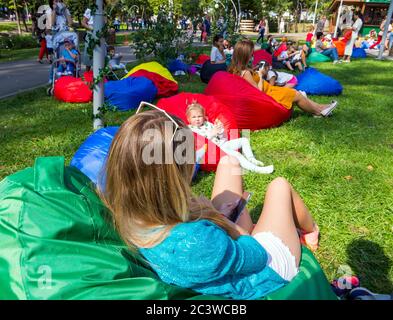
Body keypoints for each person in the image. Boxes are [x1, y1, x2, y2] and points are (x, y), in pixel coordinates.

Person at [99, 109, 321, 300]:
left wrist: (208, 213)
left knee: (229, 161)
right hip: (264, 271)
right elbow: (256, 253)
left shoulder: (128, 212)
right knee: (279, 187)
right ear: (174, 175)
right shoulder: (197, 239)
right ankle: (311, 231)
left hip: (217, 251)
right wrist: (221, 220)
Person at [228, 39, 339, 118]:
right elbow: (258, 92)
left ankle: (321, 108)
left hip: (270, 89)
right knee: (296, 95)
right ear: (245, 55)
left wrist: (255, 71)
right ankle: (319, 111)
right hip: (268, 93)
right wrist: (260, 75)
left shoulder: (235, 69)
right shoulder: (245, 72)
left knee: (295, 92)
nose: (253, 55)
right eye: (251, 54)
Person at [186, 102, 273, 174]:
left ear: (203, 117)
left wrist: (220, 129)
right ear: (189, 119)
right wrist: (212, 134)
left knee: (244, 140)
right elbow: (200, 143)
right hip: (216, 150)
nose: (197, 119)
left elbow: (221, 136)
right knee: (237, 155)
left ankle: (252, 159)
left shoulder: (207, 124)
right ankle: (257, 169)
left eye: (199, 116)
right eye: (194, 117)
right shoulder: (191, 129)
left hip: (223, 144)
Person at [81, 7, 94, 72]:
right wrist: (91, 28)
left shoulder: (102, 9)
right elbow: (83, 22)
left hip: (100, 34)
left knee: (101, 54)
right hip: (91, 33)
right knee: (89, 54)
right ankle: (87, 74)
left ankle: (101, 74)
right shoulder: (89, 10)